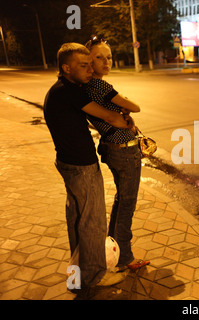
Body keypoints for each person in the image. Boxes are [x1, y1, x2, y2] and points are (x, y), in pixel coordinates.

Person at [43, 43, 134, 296]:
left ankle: (77, 270)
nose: (89, 69)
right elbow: (110, 117)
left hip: (67, 163)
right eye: (83, 65)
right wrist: (123, 116)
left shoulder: (59, 90)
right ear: (66, 68)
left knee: (77, 218)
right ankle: (94, 275)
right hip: (82, 166)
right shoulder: (70, 91)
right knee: (92, 222)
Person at [84, 37, 149, 272]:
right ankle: (125, 257)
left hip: (112, 149)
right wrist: (125, 109)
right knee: (127, 205)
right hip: (124, 152)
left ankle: (114, 249)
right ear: (88, 61)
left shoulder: (87, 86)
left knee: (121, 201)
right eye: (98, 57)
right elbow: (135, 106)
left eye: (108, 57)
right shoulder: (100, 86)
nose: (106, 62)